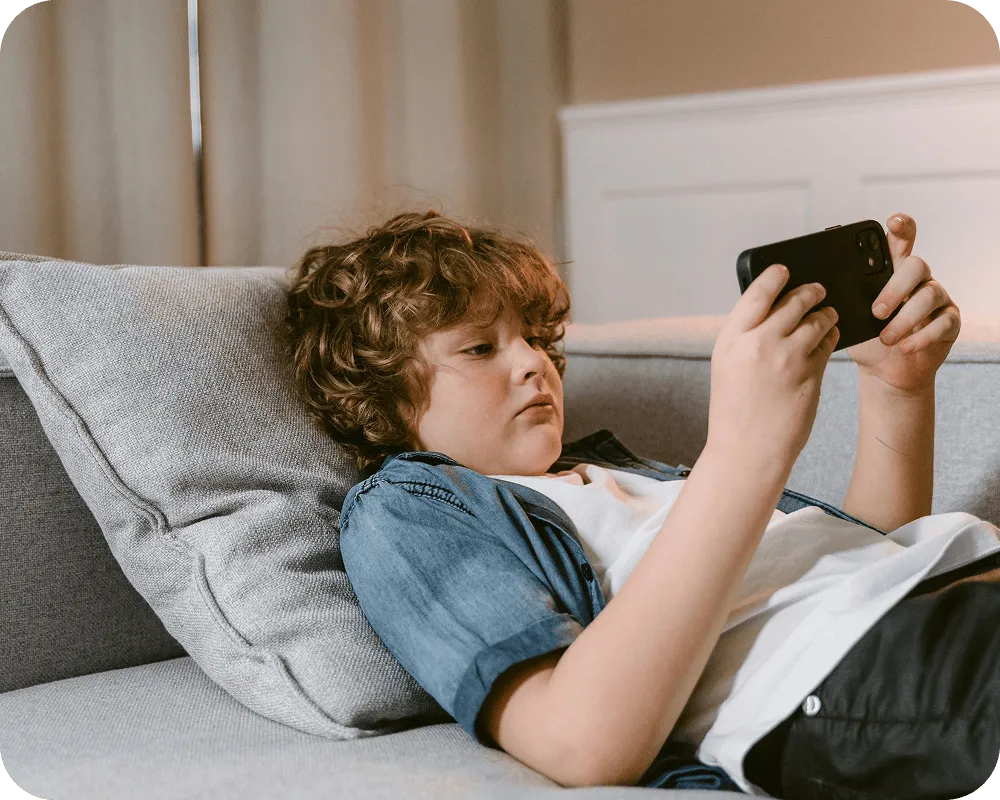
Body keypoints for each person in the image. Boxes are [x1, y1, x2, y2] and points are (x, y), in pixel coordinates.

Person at [282, 209, 1000, 798]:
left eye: (534, 338)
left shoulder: (621, 472)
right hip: (851, 671)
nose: (534, 361)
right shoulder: (406, 511)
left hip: (932, 600)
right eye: (478, 349)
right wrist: (744, 452)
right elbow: (580, 742)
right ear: (376, 399)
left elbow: (864, 558)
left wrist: (898, 389)